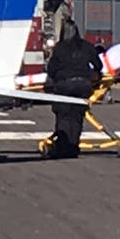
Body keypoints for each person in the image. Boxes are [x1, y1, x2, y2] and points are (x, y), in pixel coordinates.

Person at [45, 18, 103, 158]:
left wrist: (54, 80)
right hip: (83, 85)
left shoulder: (59, 48)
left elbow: (51, 69)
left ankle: (63, 147)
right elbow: (99, 65)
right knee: (77, 117)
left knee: (63, 116)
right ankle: (73, 146)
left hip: (64, 85)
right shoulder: (86, 46)